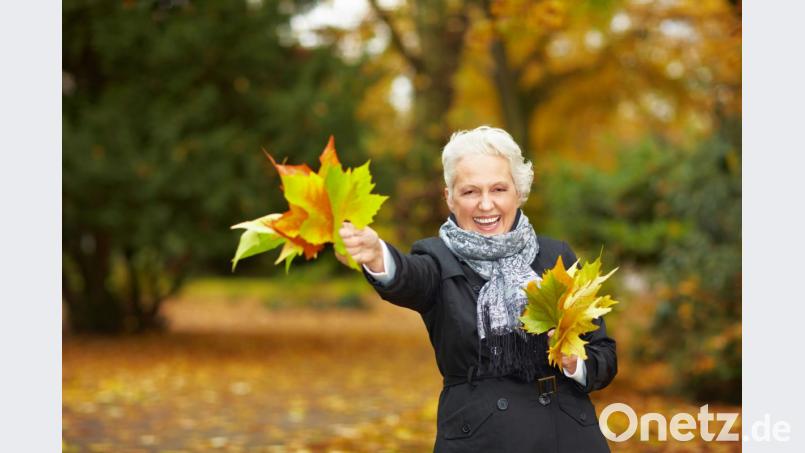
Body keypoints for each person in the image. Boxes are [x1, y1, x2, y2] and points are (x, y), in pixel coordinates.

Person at [337, 126, 616, 452]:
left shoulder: (556, 257)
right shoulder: (436, 258)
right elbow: (409, 278)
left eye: (498, 189)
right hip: (482, 438)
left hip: (567, 435)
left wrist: (575, 364)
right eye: (470, 192)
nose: (486, 205)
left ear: (518, 191)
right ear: (450, 198)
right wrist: (376, 255)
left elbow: (604, 355)